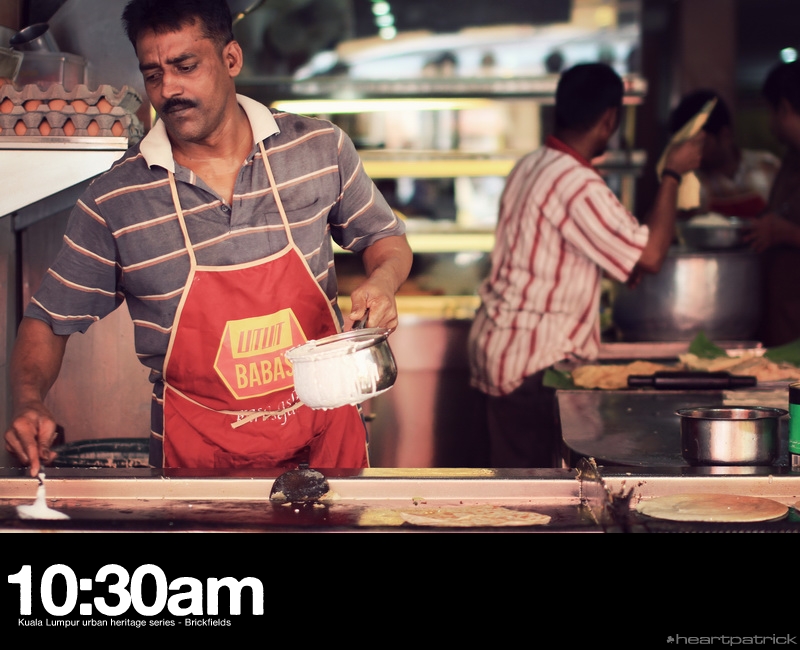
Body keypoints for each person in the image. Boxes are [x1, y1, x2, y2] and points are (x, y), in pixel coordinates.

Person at [4, 0, 412, 476]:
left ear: (231, 59)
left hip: (326, 447)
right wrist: (29, 400)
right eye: (153, 73)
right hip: (197, 464)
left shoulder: (317, 148)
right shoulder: (117, 199)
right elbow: (48, 320)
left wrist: (383, 283)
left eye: (185, 66)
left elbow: (386, 240)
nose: (168, 88)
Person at [468, 63, 704, 468]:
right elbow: (649, 256)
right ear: (609, 118)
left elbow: (597, 253)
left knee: (515, 479)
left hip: (502, 347)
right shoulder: (577, 183)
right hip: (535, 363)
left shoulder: (532, 164)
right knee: (533, 497)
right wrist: (672, 173)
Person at [745, 61, 800, 346]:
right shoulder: (791, 157)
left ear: (784, 108)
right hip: (781, 325)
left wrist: (786, 233)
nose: (770, 123)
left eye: (770, 111)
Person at [668, 89, 780, 218]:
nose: (695, 153)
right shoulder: (688, 183)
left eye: (700, 144)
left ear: (725, 135)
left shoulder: (768, 166)